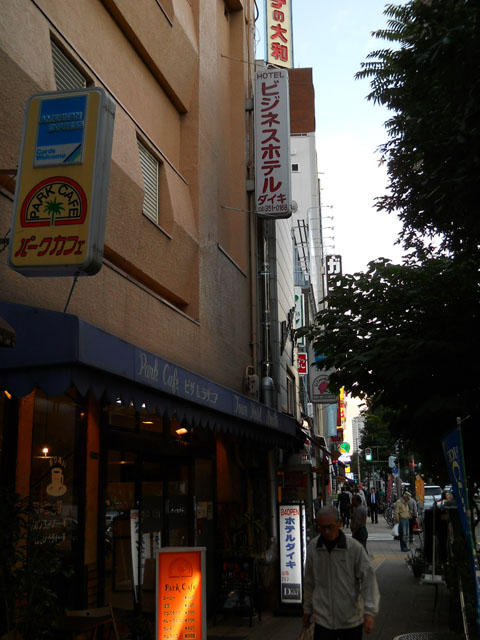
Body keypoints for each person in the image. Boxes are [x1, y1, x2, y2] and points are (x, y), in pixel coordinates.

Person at [303, 506, 380, 639]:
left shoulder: (354, 548)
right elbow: (309, 582)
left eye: (330, 527)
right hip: (322, 620)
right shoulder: (313, 548)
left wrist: (369, 612)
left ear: (339, 523)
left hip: (350, 620)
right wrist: (307, 609)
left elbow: (368, 580)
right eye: (321, 528)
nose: (326, 532)